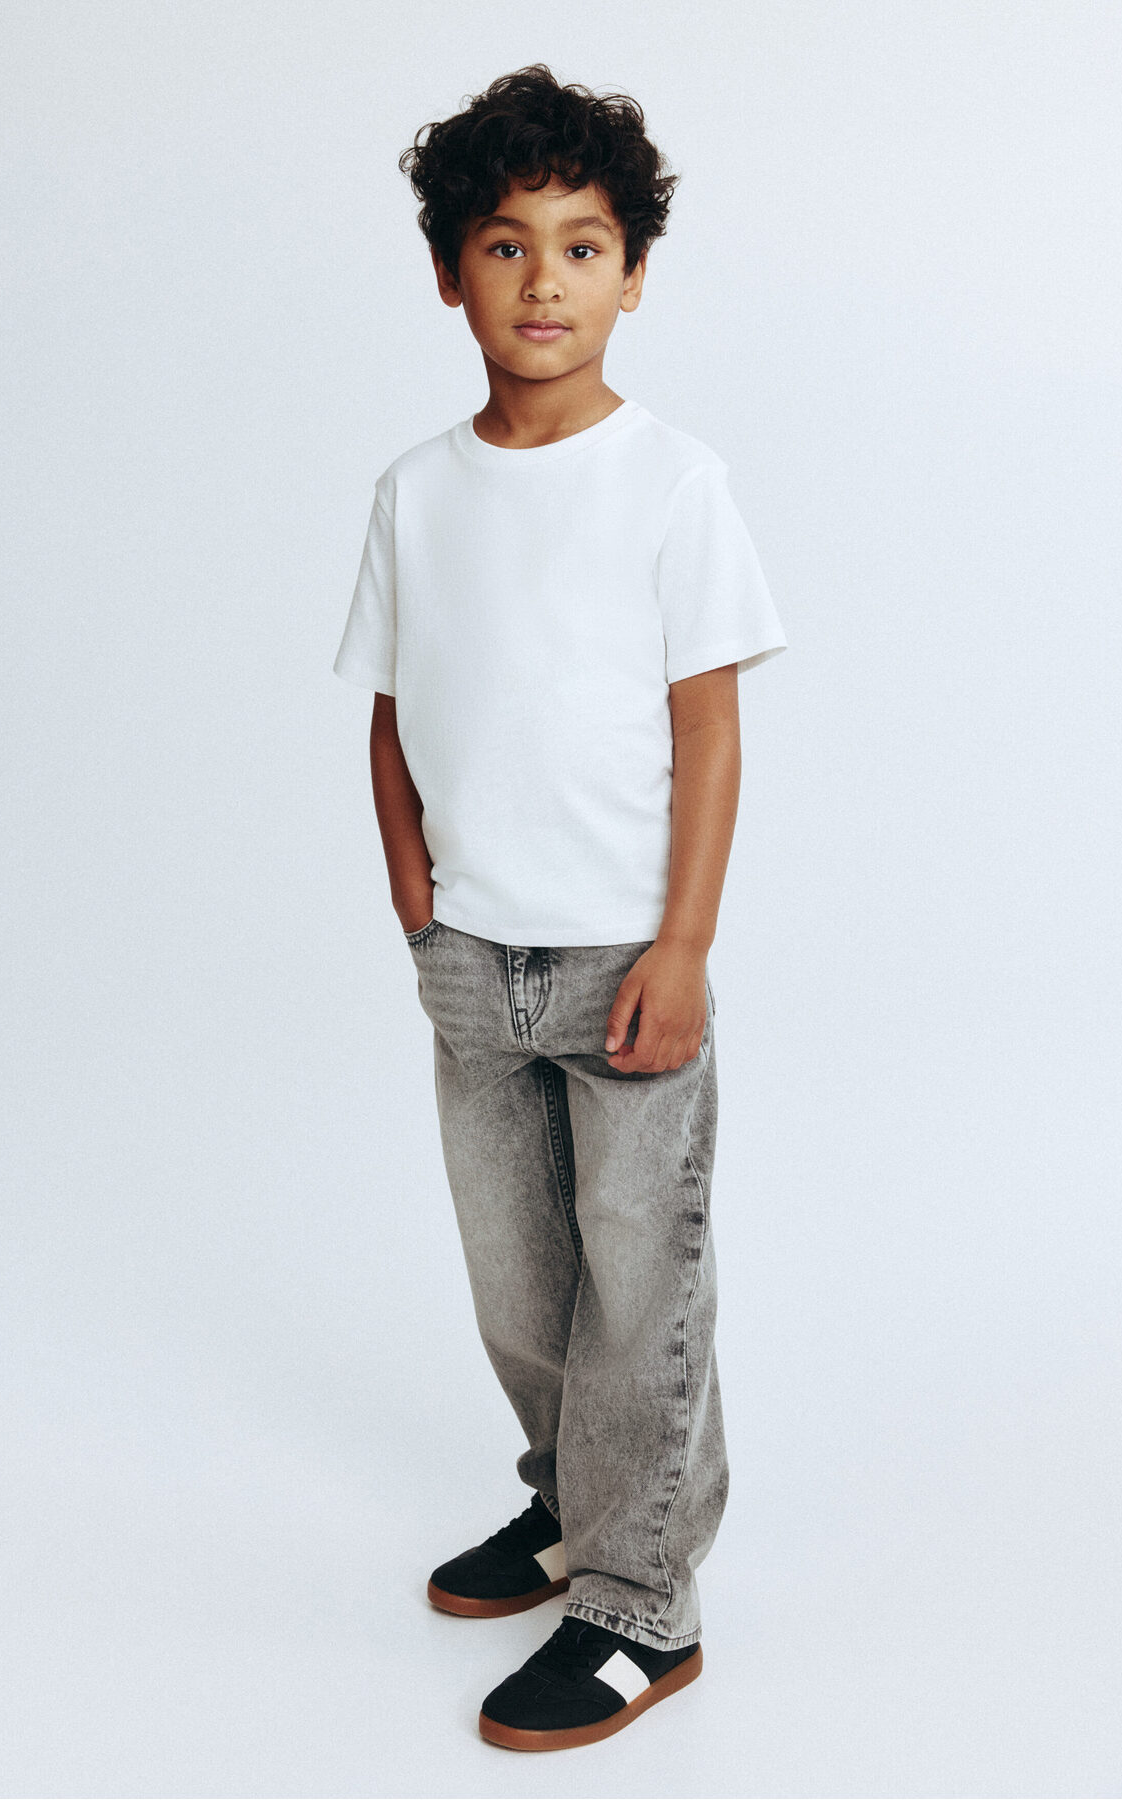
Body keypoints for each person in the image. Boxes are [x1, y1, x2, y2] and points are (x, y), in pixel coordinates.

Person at [332, 63, 787, 1752]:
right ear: (449, 273)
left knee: (640, 1284)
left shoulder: (673, 483)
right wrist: (413, 898)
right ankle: (569, 1502)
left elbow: (709, 730)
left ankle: (641, 1599)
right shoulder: (416, 491)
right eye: (506, 245)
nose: (545, 281)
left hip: (623, 963)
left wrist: (685, 945)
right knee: (522, 1289)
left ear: (634, 275)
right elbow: (391, 709)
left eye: (583, 246)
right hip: (472, 962)